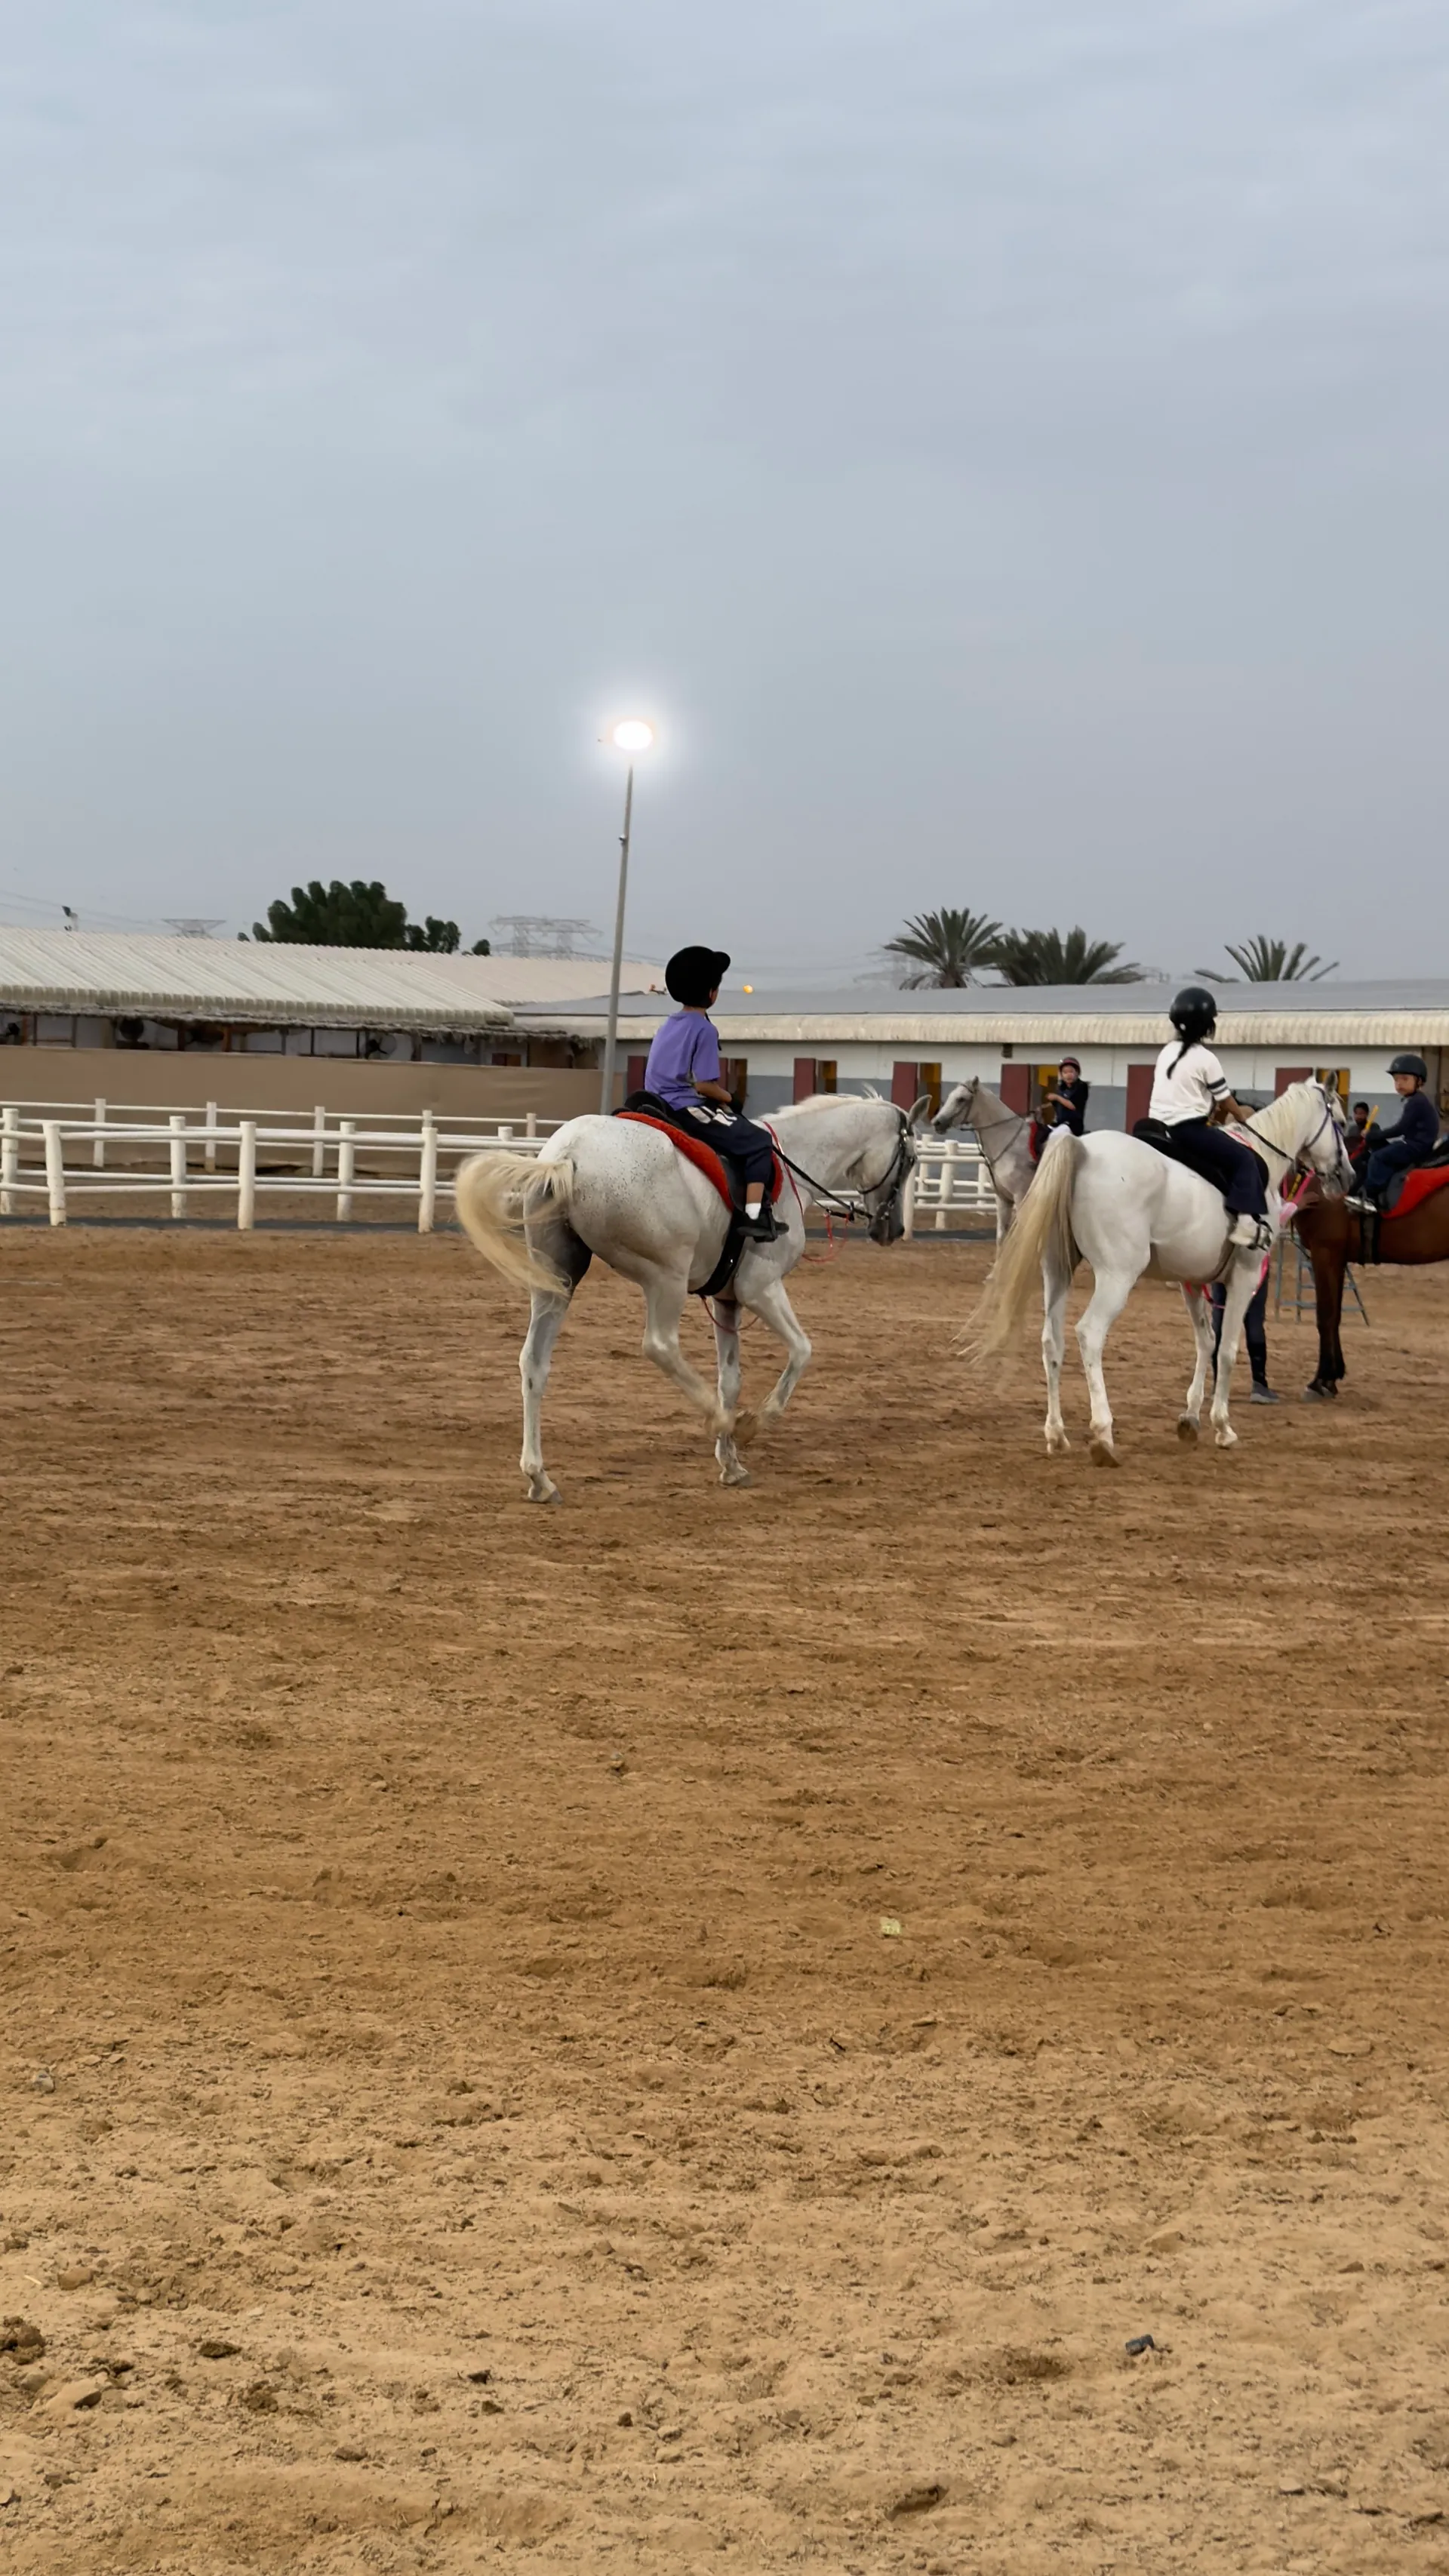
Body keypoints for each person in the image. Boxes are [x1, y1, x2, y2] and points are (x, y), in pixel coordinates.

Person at [641, 946, 781, 1239]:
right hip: (683, 1106)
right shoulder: (704, 1030)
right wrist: (731, 1098)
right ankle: (755, 1216)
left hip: (654, 1101)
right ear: (712, 993)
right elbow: (704, 1085)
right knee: (758, 1141)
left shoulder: (668, 1023)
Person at [1147, 986, 1270, 1251]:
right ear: (1207, 1026)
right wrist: (1241, 1117)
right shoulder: (1206, 1058)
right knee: (1246, 1159)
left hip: (1154, 1127)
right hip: (1187, 1131)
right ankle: (1247, 1225)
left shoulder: (1166, 1051)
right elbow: (1225, 1099)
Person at [1349, 1054, 1441, 1209]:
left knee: (1378, 1157)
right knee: (1378, 1146)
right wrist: (1375, 1138)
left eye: (1404, 1079)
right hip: (1413, 1143)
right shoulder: (1414, 1100)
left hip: (1416, 1147)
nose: (1399, 1084)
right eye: (1396, 1080)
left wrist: (1374, 1135)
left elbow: (1400, 1129)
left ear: (1419, 1081)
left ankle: (1370, 1198)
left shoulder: (1417, 1102)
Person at [1209, 1274, 1277, 1404]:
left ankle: (1218, 1385)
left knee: (1220, 1321)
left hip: (1222, 1270)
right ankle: (1259, 1384)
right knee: (1254, 1321)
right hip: (1251, 1269)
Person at [1042, 1056, 1089, 1135]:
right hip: (1060, 1123)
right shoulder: (1061, 1088)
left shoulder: (1082, 1087)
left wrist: (1057, 1097)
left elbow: (1073, 1106)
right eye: (1065, 1072)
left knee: (1056, 1136)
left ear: (1077, 1073)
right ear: (1061, 1074)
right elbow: (1056, 1103)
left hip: (1073, 1125)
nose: (1068, 1075)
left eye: (1071, 1072)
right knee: (1041, 1135)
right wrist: (1041, 1107)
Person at [1346, 1102, 1377, 1172]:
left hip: (1366, 1159)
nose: (1358, 1116)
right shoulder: (1352, 1129)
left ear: (1366, 1114)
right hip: (1352, 1158)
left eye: (1361, 1114)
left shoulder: (1374, 1127)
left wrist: (1369, 1135)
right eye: (1356, 1114)